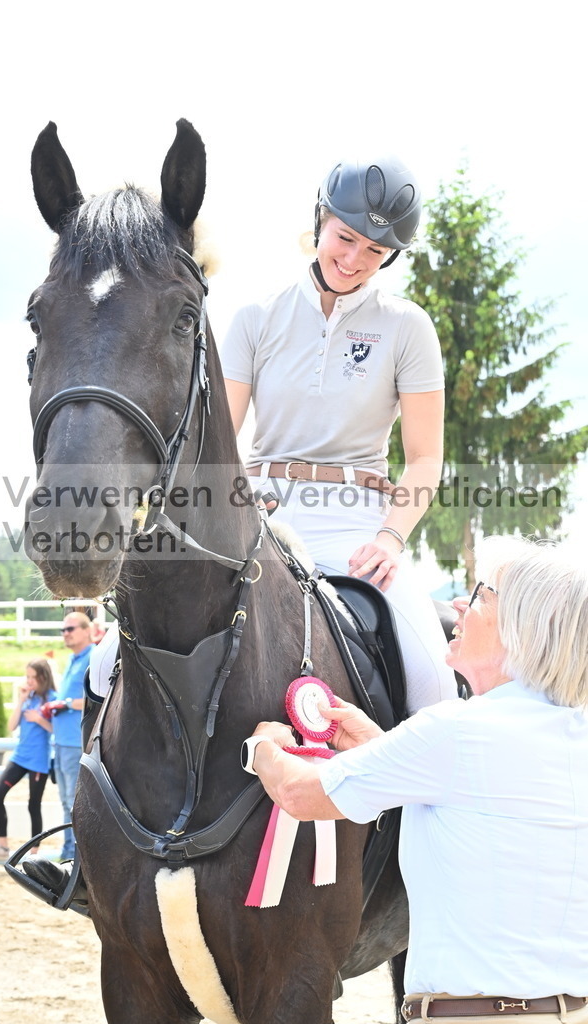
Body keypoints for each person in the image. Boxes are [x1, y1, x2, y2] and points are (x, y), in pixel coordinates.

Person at [244, 538, 588, 1023]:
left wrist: (260, 748)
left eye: (482, 595)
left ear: (521, 628)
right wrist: (384, 747)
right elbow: (470, 793)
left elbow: (298, 792)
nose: (459, 605)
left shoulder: (454, 731)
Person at [221, 156, 457, 715]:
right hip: (260, 512)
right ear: (321, 219)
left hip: (356, 525)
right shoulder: (255, 318)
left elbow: (424, 460)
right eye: (345, 238)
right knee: (114, 658)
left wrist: (390, 539)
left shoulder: (408, 327)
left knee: (433, 683)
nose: (353, 260)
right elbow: (221, 442)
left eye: (374, 251)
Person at [0, 658, 57, 862]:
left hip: (38, 761)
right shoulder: (28, 697)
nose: (29, 681)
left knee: (33, 805)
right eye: (27, 677)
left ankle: (34, 853)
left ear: (43, 677)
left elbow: (56, 730)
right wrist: (21, 701)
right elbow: (11, 726)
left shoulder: (52, 699)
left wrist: (39, 719)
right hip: (20, 758)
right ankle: (3, 846)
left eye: (33, 677)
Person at [40, 611, 94, 862]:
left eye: (70, 629)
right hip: (62, 741)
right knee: (65, 801)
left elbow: (99, 699)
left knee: (73, 803)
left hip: (75, 741)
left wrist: (67, 704)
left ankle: (73, 856)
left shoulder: (93, 657)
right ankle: (69, 853)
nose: (66, 634)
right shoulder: (74, 660)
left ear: (86, 630)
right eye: (63, 630)